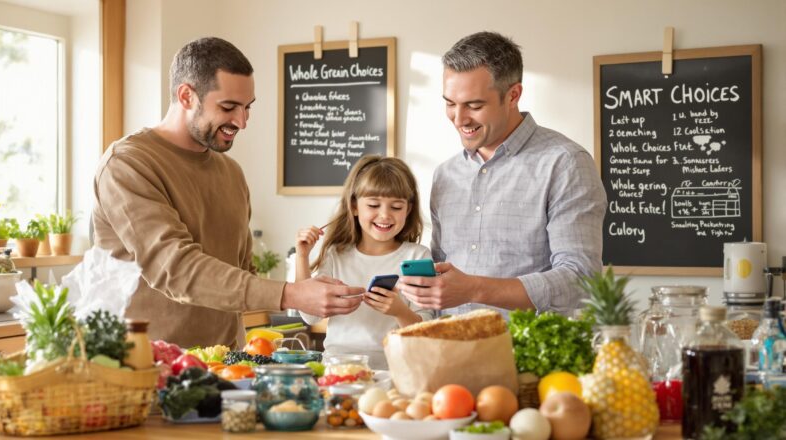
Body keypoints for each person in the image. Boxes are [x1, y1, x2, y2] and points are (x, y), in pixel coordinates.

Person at [92, 37, 363, 349]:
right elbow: (176, 269)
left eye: (247, 107)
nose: (241, 122)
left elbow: (242, 271)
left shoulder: (231, 172)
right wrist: (290, 294)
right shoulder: (128, 164)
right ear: (186, 96)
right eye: (228, 107)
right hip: (143, 363)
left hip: (225, 364)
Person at [398, 31, 606, 316]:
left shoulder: (565, 163)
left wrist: (474, 289)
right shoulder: (446, 174)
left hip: (529, 344)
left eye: (474, 105)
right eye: (450, 103)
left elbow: (580, 279)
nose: (459, 119)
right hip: (449, 342)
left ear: (513, 95)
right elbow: (440, 273)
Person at [295, 156, 432, 369]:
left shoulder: (418, 256)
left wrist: (399, 311)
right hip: (338, 369)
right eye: (374, 205)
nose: (385, 215)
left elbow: (426, 334)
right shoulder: (336, 254)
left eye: (396, 207)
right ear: (354, 206)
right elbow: (310, 316)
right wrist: (302, 257)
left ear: (408, 209)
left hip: (395, 371)